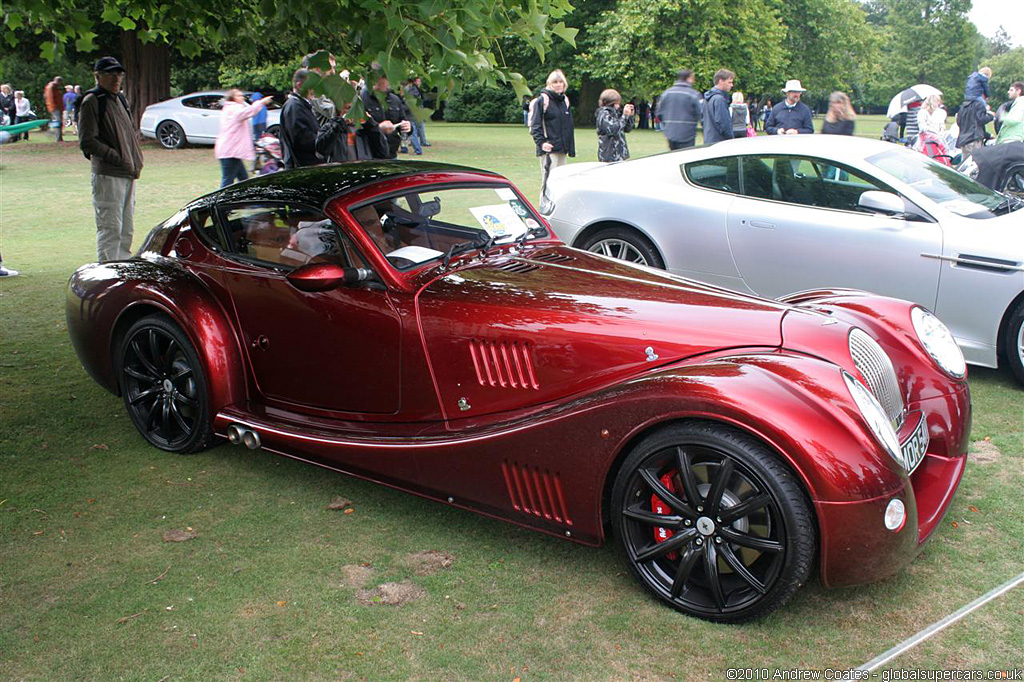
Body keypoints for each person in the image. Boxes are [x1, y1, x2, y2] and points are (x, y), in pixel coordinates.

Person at [78, 56, 144, 263]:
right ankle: (108, 273)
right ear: (97, 76)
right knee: (110, 227)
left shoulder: (119, 99)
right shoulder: (92, 101)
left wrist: (134, 160)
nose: (115, 78)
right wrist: (116, 157)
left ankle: (123, 268)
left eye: (118, 73)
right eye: (109, 73)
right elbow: (87, 141)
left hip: (128, 172)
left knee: (126, 227)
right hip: (109, 173)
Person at [529, 69, 575, 207]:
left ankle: (558, 209)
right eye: (555, 82)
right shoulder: (543, 100)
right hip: (549, 149)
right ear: (550, 83)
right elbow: (535, 125)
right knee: (548, 181)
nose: (558, 84)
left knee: (561, 182)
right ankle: (544, 211)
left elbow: (568, 125)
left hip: (562, 149)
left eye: (561, 82)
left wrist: (570, 148)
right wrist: (542, 143)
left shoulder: (564, 100)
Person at [214, 88, 273, 187]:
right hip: (229, 152)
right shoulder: (233, 109)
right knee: (227, 182)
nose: (242, 97)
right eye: (239, 96)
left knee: (244, 180)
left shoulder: (232, 108)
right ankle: (219, 202)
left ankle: (250, 201)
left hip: (232, 151)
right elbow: (250, 111)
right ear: (232, 98)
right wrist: (262, 102)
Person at [360, 73, 412, 159]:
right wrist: (379, 128)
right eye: (384, 77)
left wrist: (407, 127)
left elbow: (402, 121)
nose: (387, 81)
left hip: (391, 154)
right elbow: (357, 129)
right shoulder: (361, 99)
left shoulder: (395, 99)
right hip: (369, 155)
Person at [280, 68, 321, 169]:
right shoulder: (295, 107)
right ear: (300, 85)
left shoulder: (300, 105)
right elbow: (303, 141)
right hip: (303, 168)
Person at [658, 68, 702, 149]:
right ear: (688, 78)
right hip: (687, 133)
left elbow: (659, 113)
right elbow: (699, 113)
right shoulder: (693, 94)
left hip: (670, 132)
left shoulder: (666, 93)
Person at [595, 89, 634, 162]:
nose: (618, 106)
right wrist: (624, 116)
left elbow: (627, 129)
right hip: (609, 154)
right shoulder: (603, 114)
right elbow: (612, 130)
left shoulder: (616, 113)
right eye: (616, 103)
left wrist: (630, 116)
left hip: (620, 153)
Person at [955, 92, 994, 160]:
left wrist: (987, 135)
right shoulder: (979, 104)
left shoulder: (964, 106)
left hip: (964, 140)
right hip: (974, 139)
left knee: (965, 164)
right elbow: (981, 119)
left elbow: (959, 122)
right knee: (976, 163)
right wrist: (991, 116)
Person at [701, 69, 735, 145]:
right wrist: (731, 139)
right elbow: (724, 124)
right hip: (720, 143)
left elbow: (703, 120)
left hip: (709, 140)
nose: (732, 85)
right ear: (720, 81)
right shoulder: (719, 100)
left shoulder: (707, 99)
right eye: (729, 82)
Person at [405, 76, 431, 147]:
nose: (420, 83)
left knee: (416, 126)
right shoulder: (413, 89)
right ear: (414, 82)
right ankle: (422, 141)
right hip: (415, 111)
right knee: (419, 126)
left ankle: (415, 141)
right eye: (418, 81)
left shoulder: (414, 89)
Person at [44, 76, 64, 141]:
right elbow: (50, 98)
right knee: (58, 121)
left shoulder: (54, 87)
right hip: (55, 107)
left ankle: (58, 136)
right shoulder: (51, 87)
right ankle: (55, 135)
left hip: (56, 107)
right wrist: (53, 107)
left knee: (57, 121)